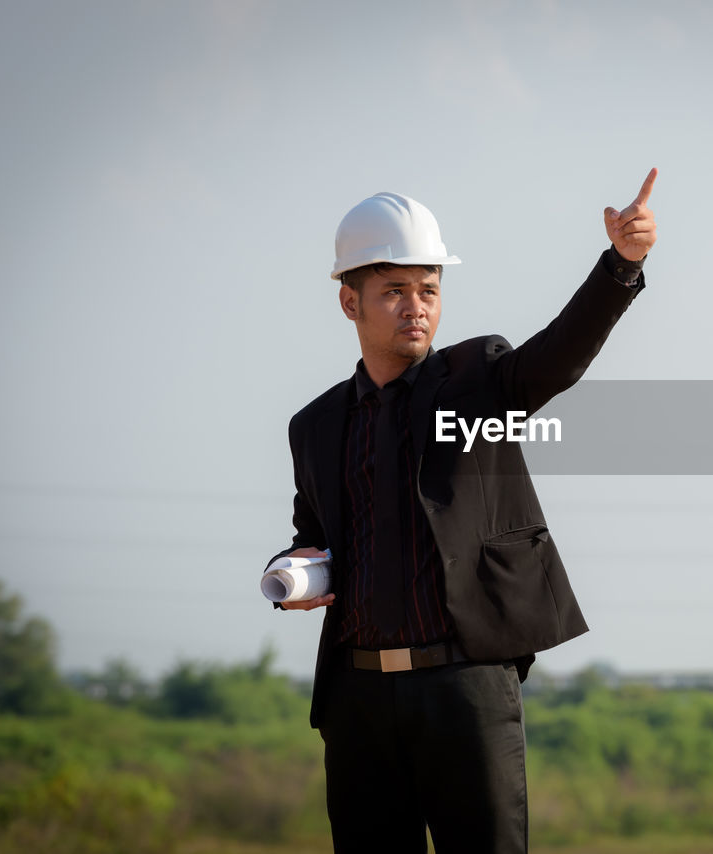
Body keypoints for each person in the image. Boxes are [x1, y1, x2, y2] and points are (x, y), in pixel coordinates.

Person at [265, 169, 658, 852]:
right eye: (393, 292)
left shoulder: (476, 385)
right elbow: (314, 534)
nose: (416, 306)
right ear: (348, 303)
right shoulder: (316, 425)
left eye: (428, 290)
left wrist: (620, 266)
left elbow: (557, 358)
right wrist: (297, 567)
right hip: (357, 701)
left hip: (466, 691)